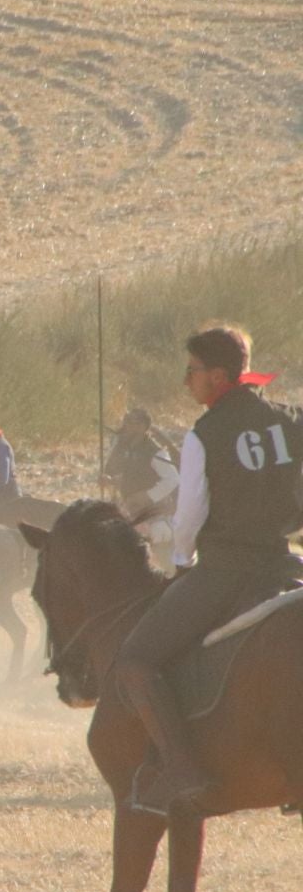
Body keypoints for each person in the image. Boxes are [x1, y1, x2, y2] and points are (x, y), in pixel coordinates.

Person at [110, 326, 303, 817]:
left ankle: (181, 767)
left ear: (218, 376)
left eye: (191, 371)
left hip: (226, 571)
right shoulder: (291, 420)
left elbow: (191, 513)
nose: (186, 381)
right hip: (284, 562)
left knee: (134, 663)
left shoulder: (204, 434)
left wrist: (181, 563)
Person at [104, 407, 178, 519]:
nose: (128, 427)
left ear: (144, 427)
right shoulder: (121, 447)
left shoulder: (154, 451)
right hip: (127, 507)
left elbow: (173, 479)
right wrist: (108, 479)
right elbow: (114, 472)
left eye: (135, 424)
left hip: (153, 511)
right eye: (127, 423)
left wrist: (148, 496)